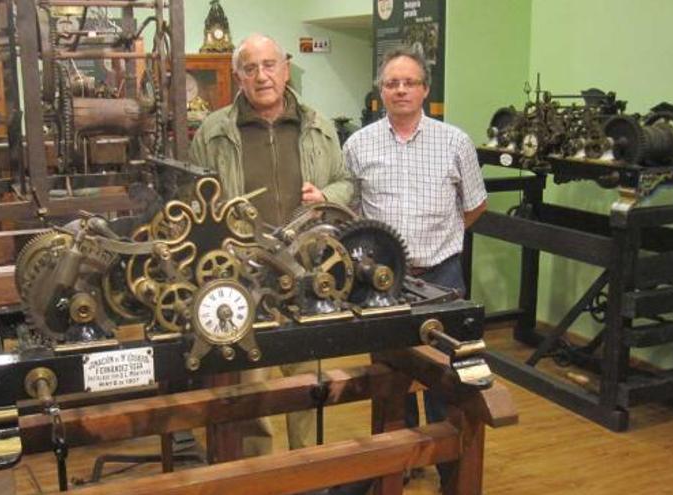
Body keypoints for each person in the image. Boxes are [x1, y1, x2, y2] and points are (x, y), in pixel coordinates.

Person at [189, 33, 354, 457]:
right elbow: (192, 198)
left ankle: (309, 467)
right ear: (237, 76)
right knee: (252, 386)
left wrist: (328, 198)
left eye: (269, 65)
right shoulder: (214, 131)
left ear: (286, 67)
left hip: (307, 270)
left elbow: (345, 182)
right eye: (250, 68)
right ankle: (258, 473)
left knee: (310, 380)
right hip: (244, 273)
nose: (262, 76)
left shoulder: (318, 125)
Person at [343, 47, 487, 490]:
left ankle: (451, 469)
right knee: (392, 379)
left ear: (425, 89)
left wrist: (439, 241)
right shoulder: (357, 144)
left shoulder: (455, 141)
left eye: (409, 82)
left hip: (443, 278)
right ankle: (398, 466)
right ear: (380, 92)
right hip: (383, 283)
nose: (400, 89)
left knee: (448, 380)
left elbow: (475, 206)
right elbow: (350, 213)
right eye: (391, 83)